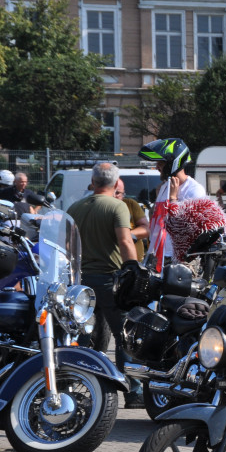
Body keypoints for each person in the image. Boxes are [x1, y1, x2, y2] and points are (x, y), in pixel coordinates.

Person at [66, 163, 143, 408]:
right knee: (125, 335)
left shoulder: (75, 207)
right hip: (110, 279)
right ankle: (132, 390)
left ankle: (81, 388)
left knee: (87, 337)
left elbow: (68, 246)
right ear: (115, 182)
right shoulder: (117, 206)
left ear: (93, 181)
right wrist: (133, 270)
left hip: (81, 282)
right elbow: (124, 241)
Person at [138, 138, 207, 271]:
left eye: (161, 163)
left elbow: (187, 228)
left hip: (180, 260)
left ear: (172, 163)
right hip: (158, 257)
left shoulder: (194, 190)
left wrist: (173, 199)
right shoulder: (165, 186)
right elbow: (156, 220)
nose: (157, 166)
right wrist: (158, 200)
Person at [115, 179, 149, 261]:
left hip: (133, 262)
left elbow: (146, 229)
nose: (114, 196)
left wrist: (126, 235)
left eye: (118, 193)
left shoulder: (130, 204)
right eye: (113, 192)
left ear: (124, 193)